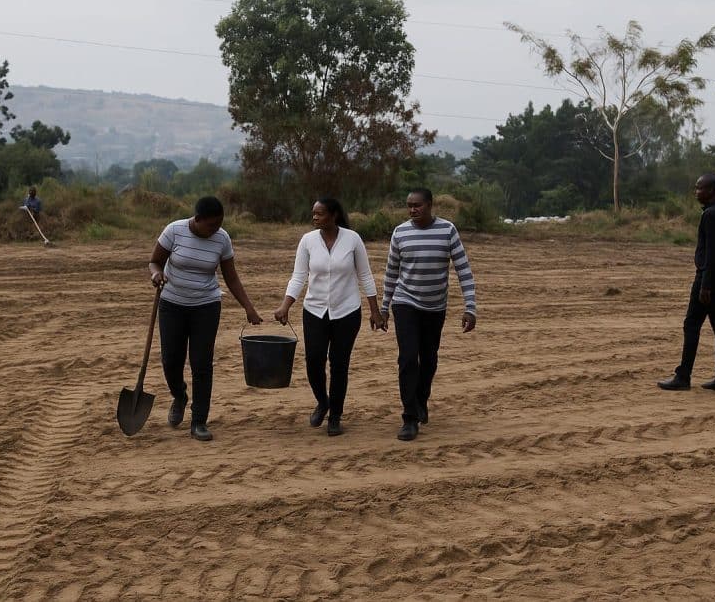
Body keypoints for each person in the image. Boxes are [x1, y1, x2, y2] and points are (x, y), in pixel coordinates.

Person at [148, 196, 263, 441]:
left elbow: (231, 277)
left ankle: (199, 421)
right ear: (197, 219)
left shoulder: (222, 239)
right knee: (171, 360)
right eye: (211, 225)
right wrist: (156, 274)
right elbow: (155, 261)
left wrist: (249, 308)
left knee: (202, 364)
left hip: (206, 306)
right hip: (172, 304)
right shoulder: (174, 230)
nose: (216, 229)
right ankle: (179, 396)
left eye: (219, 224)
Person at [274, 198, 384, 437]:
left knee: (339, 364)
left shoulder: (352, 239)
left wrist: (375, 311)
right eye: (313, 213)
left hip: (347, 311)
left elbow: (365, 276)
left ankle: (335, 415)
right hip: (314, 311)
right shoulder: (308, 241)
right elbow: (298, 276)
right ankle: (322, 401)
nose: (314, 217)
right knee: (314, 361)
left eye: (320, 213)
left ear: (333, 215)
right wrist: (285, 306)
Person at [380, 188, 477, 441]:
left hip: (435, 307)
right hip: (405, 302)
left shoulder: (447, 230)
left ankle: (421, 399)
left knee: (429, 358)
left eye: (418, 205)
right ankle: (409, 417)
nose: (413, 210)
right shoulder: (400, 232)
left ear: (430, 205)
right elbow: (391, 272)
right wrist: (384, 307)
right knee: (408, 358)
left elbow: (463, 269)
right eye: (409, 205)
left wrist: (470, 307)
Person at [658, 173, 715, 393]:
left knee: (691, 324)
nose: (696, 192)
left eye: (700, 188)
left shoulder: (710, 215)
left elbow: (711, 253)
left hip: (709, 277)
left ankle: (683, 376)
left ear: (711, 191)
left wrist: (705, 285)